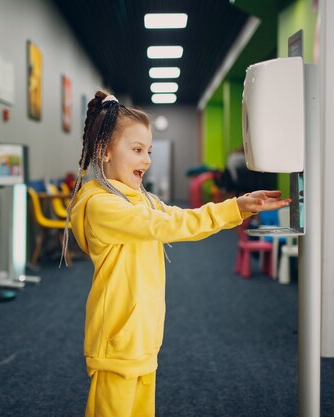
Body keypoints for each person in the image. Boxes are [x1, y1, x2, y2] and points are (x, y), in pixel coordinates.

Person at [61, 91, 290, 417]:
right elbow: (171, 223)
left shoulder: (139, 199)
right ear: (105, 151)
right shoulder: (102, 206)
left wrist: (239, 208)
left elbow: (174, 219)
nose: (147, 160)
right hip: (118, 339)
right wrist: (234, 207)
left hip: (142, 335)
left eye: (149, 151)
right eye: (137, 150)